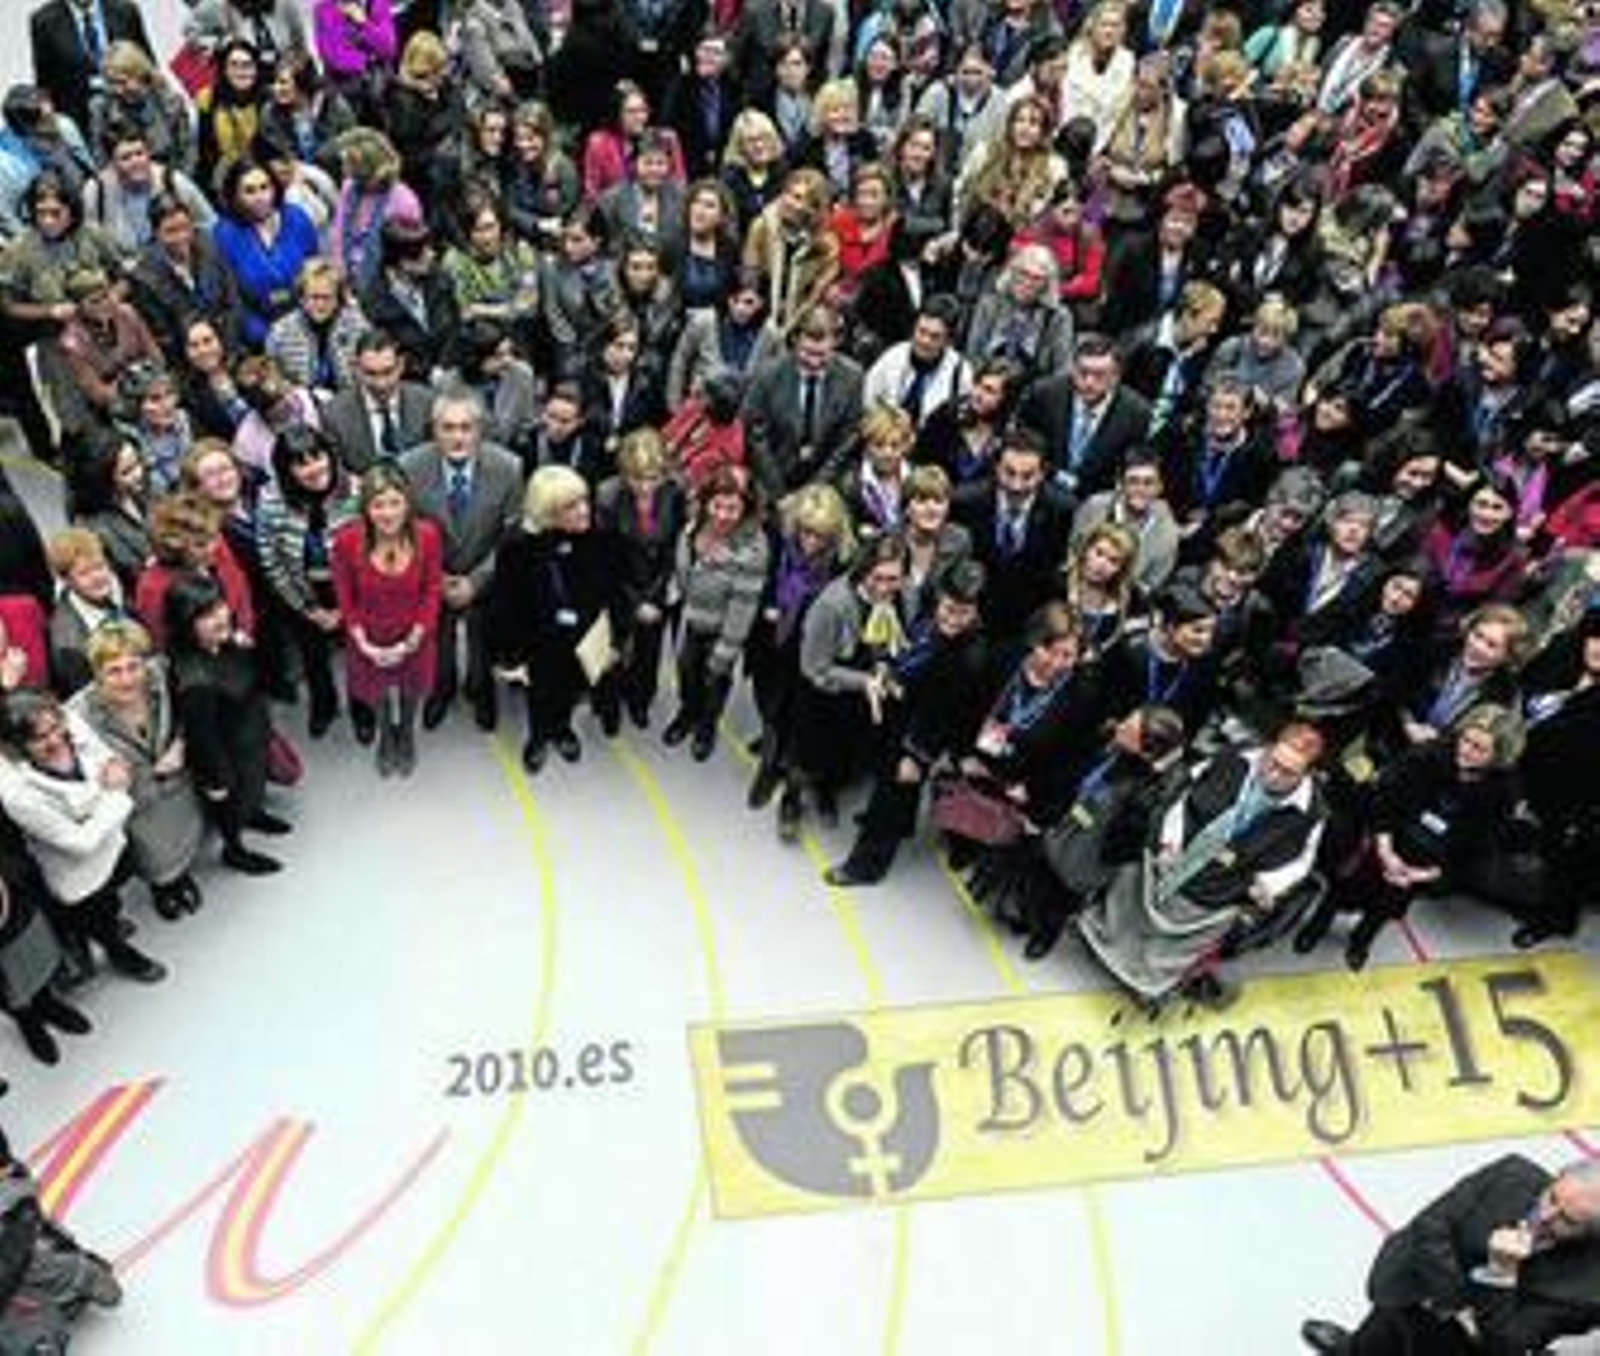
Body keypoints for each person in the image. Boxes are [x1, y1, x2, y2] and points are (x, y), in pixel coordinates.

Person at [1077, 721, 1328, 1008]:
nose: (1273, 774)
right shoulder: (1234, 759)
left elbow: (1300, 861)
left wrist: (1268, 885)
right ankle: (1105, 941)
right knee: (1133, 905)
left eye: (1288, 772)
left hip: (1221, 884)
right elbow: (1184, 794)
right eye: (1274, 762)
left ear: (1307, 773)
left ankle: (1147, 979)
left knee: (1173, 939)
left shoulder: (1311, 812)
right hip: (1175, 851)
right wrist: (1169, 840)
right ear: (1269, 749)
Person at [1300, 1156, 1600, 1355]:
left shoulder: (1590, 1289)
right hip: (1419, 1286)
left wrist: (1501, 1272)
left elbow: (1506, 1344)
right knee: (1378, 1334)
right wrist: (1457, 1304)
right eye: (1552, 1197)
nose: (1544, 1216)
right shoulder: (1512, 1173)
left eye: (1567, 1220)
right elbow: (1431, 1226)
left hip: (1461, 1349)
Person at [823, 559, 989, 884]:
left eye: (963, 613)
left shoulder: (969, 659)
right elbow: (905, 648)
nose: (952, 618)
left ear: (976, 613)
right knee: (895, 787)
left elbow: (947, 718)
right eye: (948, 607)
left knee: (891, 794)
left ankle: (866, 866)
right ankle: (901, 825)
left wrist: (918, 757)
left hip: (918, 736)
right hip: (901, 715)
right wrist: (887, 664)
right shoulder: (930, 624)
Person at [0, 687, 167, 984]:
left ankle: (107, 926)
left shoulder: (68, 724)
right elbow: (80, 843)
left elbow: (107, 757)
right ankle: (119, 952)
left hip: (114, 845)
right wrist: (117, 794)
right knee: (96, 915)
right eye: (40, 739)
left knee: (113, 897)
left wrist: (115, 766)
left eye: (56, 728)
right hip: (78, 874)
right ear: (17, 745)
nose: (55, 740)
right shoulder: (16, 792)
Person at [399, 389, 525, 733]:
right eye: (447, 427)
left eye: (466, 427)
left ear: (480, 429)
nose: (457, 437)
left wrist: (476, 580)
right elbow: (403, 530)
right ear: (433, 429)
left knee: (482, 644)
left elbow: (513, 537)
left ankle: (481, 693)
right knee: (437, 647)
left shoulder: (508, 467)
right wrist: (436, 577)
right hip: (432, 576)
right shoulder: (410, 466)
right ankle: (442, 691)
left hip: (485, 575)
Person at [486, 466, 626, 772]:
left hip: (584, 637)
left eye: (584, 501)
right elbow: (506, 606)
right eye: (571, 507)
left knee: (571, 691)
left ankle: (562, 730)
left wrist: (615, 640)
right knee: (540, 692)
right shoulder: (518, 546)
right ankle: (538, 737)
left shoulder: (601, 531)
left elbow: (615, 588)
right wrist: (511, 657)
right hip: (538, 640)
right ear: (548, 513)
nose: (584, 511)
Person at [69, 621, 206, 921]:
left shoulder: (161, 675)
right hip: (136, 801)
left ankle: (181, 878)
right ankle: (163, 889)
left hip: (177, 786)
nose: (128, 679)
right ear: (97, 673)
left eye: (134, 666)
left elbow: (190, 711)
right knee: (151, 853)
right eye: (114, 671)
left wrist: (182, 743)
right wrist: (103, 770)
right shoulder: (79, 714)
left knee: (183, 836)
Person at [163, 573, 286, 875]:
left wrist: (242, 644)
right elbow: (204, 742)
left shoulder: (225, 641)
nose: (219, 617)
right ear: (185, 624)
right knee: (232, 804)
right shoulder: (195, 680)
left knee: (254, 787)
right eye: (205, 615)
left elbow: (260, 681)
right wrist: (218, 783)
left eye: (218, 606)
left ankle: (254, 813)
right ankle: (235, 850)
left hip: (252, 736)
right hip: (229, 758)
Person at [330, 463, 443, 775]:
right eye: (378, 504)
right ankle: (385, 735)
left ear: (408, 503)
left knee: (411, 691)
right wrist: (363, 643)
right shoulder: (346, 542)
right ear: (365, 508)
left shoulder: (428, 535)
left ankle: (405, 734)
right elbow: (344, 596)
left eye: (395, 503)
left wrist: (415, 638)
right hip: (368, 639)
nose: (388, 513)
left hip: (415, 636)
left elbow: (432, 590)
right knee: (376, 694)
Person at [664, 466, 770, 762]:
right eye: (717, 506)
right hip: (691, 619)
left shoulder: (753, 547)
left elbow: (744, 604)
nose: (723, 515)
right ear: (706, 503)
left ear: (745, 508)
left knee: (715, 680)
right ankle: (687, 713)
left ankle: (706, 727)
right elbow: (683, 565)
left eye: (732, 508)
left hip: (723, 630)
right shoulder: (693, 527)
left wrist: (726, 650)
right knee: (686, 671)